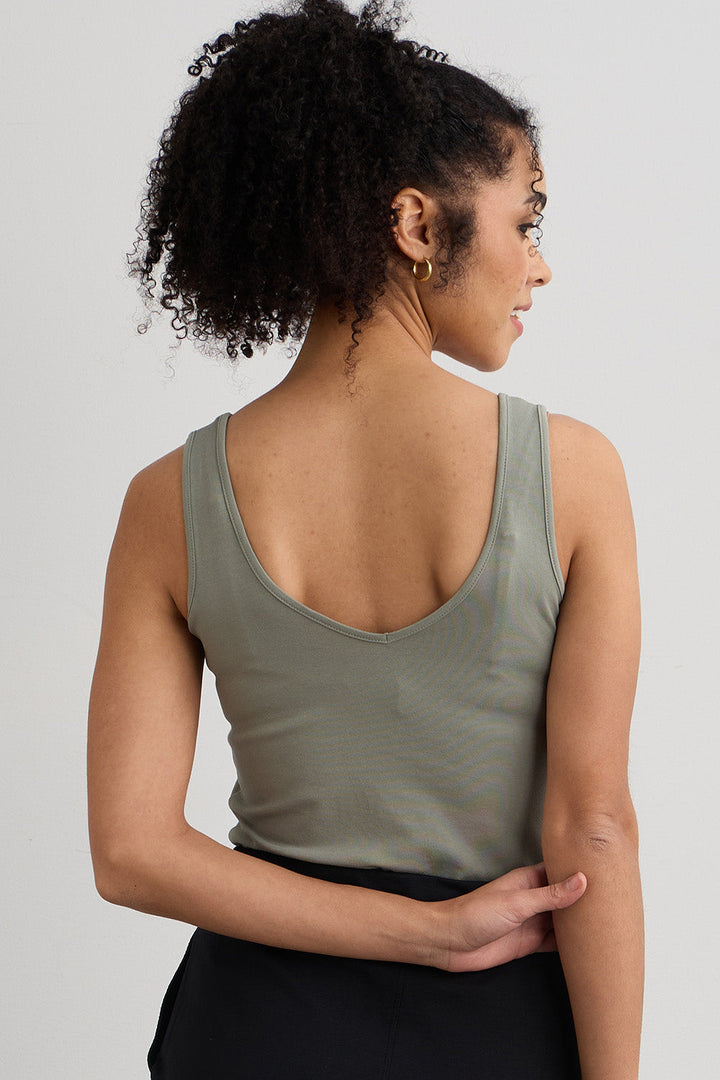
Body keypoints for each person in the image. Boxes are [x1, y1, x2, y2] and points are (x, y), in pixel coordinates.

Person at [86, 0, 644, 1076]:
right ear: (419, 226)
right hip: (498, 1028)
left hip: (250, 1027)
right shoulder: (572, 473)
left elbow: (131, 851)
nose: (539, 268)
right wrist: (447, 939)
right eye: (526, 223)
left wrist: (421, 935)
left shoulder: (169, 501)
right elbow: (596, 828)